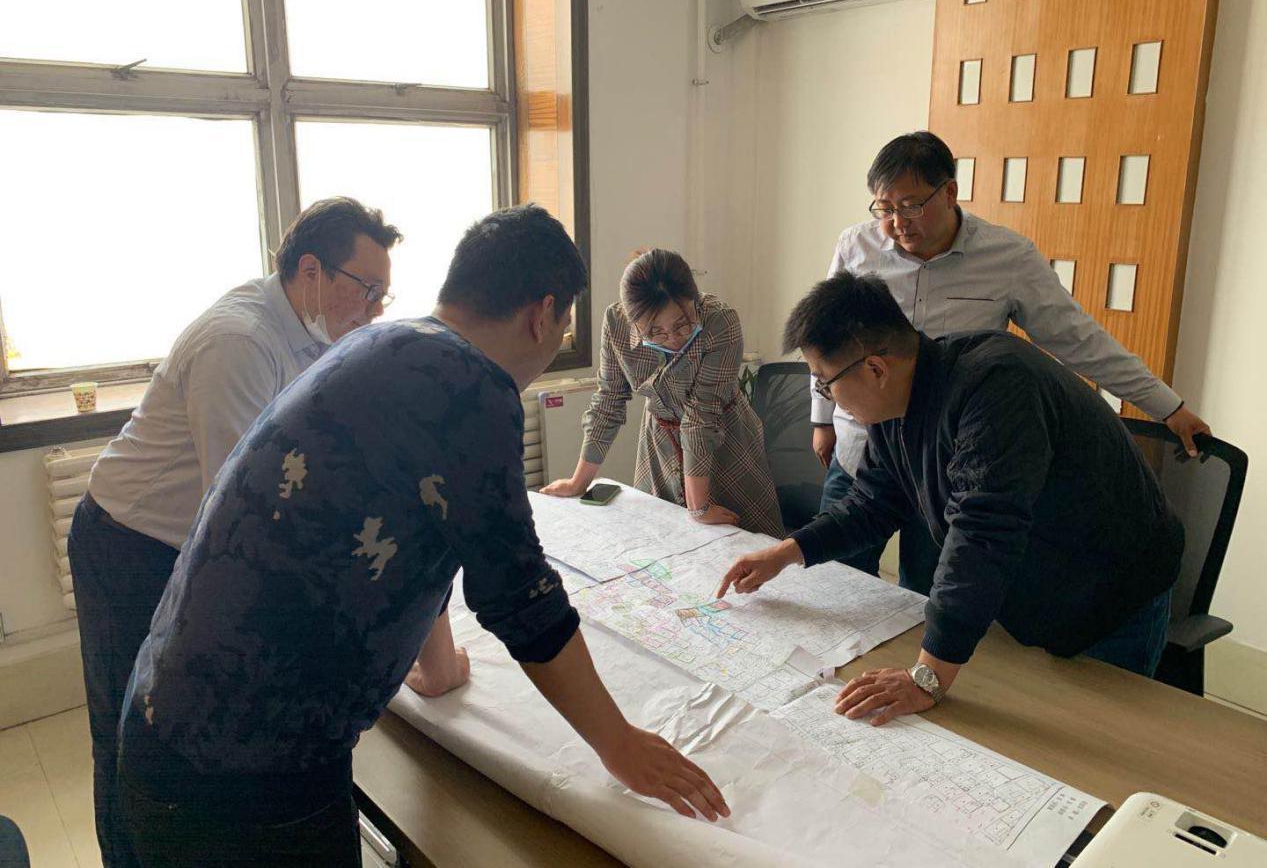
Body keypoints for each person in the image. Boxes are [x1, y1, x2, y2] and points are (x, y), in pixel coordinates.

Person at [117, 206, 728, 866]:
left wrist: (436, 667)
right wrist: (618, 744)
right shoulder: (470, 389)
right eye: (563, 327)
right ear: (542, 313)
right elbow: (522, 599)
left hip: (168, 720)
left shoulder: (382, 345)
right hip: (246, 771)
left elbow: (427, 522)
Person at [68, 196, 400, 868]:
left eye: (383, 296)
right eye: (366, 289)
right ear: (311, 271)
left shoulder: (314, 334)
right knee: (132, 725)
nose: (373, 310)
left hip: (193, 539)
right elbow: (247, 509)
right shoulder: (239, 342)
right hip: (129, 543)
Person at [719, 272, 1183, 726]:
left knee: (1102, 744)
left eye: (825, 382)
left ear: (875, 369)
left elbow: (982, 535)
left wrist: (928, 678)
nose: (828, 397)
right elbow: (872, 502)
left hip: (1110, 596)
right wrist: (787, 552)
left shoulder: (997, 386)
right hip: (1034, 592)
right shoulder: (897, 401)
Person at [811, 132, 1208, 574]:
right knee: (834, 579)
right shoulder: (856, 246)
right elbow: (826, 339)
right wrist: (822, 419)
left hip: (945, 464)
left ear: (950, 192)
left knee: (929, 591)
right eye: (885, 209)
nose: (897, 223)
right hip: (861, 448)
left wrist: (1166, 405)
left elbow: (1079, 339)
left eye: (911, 206)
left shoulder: (1007, 257)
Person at [544, 249, 783, 536]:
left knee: (746, 539)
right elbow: (609, 399)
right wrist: (578, 482)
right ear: (633, 320)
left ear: (694, 299)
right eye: (655, 331)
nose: (672, 339)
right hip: (660, 443)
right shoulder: (616, 323)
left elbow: (702, 415)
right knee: (664, 537)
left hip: (724, 438)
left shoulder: (720, 321)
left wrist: (699, 506)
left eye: (682, 324)